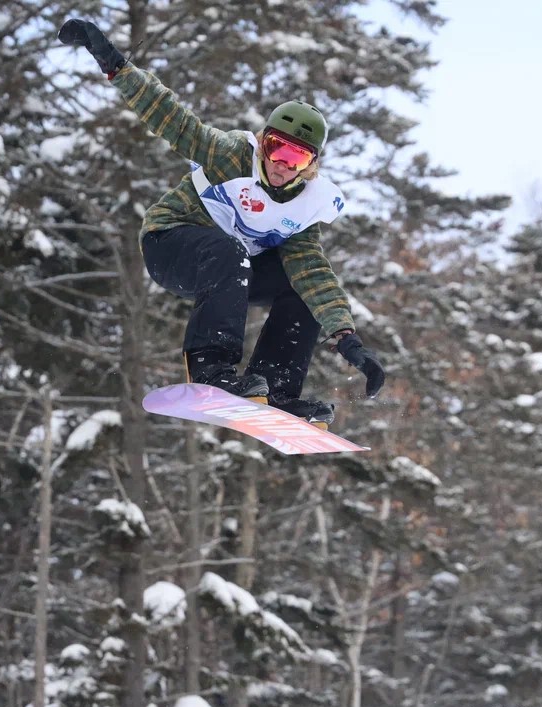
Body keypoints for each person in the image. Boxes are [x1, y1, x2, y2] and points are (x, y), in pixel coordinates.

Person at [58, 19, 385, 429]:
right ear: (262, 141)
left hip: (231, 270)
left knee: (297, 283)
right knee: (229, 251)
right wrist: (115, 65)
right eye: (275, 149)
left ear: (311, 166)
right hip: (171, 245)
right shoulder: (229, 155)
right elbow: (171, 117)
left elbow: (316, 277)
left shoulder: (305, 207)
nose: (281, 166)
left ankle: (279, 391)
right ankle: (212, 370)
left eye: (295, 158)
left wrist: (348, 339)